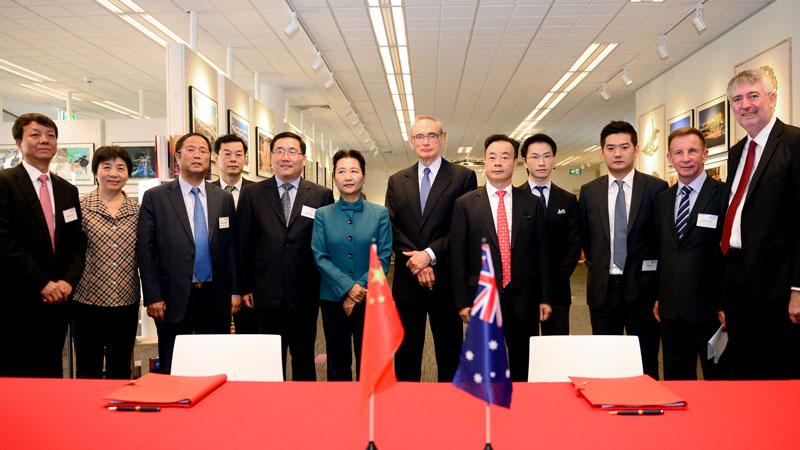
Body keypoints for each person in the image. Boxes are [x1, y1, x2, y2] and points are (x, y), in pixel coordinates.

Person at [136, 132, 240, 374]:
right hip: (173, 296)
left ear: (210, 158)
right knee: (174, 362)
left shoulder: (223, 198)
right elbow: (146, 250)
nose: (197, 155)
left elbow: (231, 248)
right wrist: (152, 296)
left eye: (203, 151)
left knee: (216, 362)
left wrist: (235, 289)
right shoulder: (156, 198)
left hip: (215, 295)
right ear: (178, 157)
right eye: (191, 150)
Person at [720, 68, 800, 379]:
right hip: (738, 277)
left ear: (773, 98)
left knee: (778, 369)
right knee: (743, 365)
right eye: (737, 99)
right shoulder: (737, 151)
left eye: (753, 95)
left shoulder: (794, 143)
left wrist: (798, 287)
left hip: (778, 283)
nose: (746, 105)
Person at [450, 134, 551, 381]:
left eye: (505, 157)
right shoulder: (465, 204)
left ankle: (521, 413)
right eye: (492, 157)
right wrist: (462, 300)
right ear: (485, 161)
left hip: (524, 300)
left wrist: (545, 297)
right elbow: (458, 256)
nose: (497, 162)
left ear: (516, 162)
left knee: (523, 364)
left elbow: (542, 255)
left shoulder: (532, 203)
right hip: (482, 298)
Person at [385, 115, 478, 382]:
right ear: (411, 142)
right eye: (419, 137)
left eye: (431, 136)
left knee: (449, 350)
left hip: (445, 278)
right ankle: (405, 407)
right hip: (407, 277)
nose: (425, 142)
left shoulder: (463, 177)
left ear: (443, 139)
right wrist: (417, 259)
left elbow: (462, 229)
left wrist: (430, 255)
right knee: (405, 352)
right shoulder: (396, 180)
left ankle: (449, 410)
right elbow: (391, 226)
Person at [238, 131, 334, 381]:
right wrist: (244, 286)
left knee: (304, 357)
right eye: (279, 151)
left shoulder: (321, 195)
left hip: (305, 291)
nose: (286, 157)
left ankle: (305, 412)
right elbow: (243, 244)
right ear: (270, 158)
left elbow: (326, 244)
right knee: (269, 360)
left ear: (303, 158)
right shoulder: (253, 194)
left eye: (292, 151)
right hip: (264, 291)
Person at [578, 121, 667, 379]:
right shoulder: (589, 192)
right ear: (602, 151)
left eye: (624, 147)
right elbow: (587, 239)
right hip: (603, 291)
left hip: (643, 292)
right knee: (606, 361)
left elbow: (661, 242)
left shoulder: (655, 189)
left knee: (646, 359)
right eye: (611, 148)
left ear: (636, 150)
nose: (618, 154)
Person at [0, 113, 86, 377]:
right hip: (18, 300)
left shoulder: (66, 190)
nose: (44, 141)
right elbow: (4, 241)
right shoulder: (5, 183)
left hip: (58, 302)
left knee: (51, 372)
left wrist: (67, 282)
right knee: (18, 374)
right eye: (35, 135)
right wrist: (42, 283)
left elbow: (76, 242)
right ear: (18, 142)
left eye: (50, 135)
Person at [312, 149, 392, 381]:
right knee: (337, 360)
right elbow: (319, 255)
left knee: (370, 359)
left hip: (370, 297)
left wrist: (358, 289)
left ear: (363, 176)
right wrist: (348, 287)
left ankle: (371, 412)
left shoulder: (380, 214)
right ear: (334, 177)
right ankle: (341, 412)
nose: (348, 176)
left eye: (354, 171)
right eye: (341, 171)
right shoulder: (323, 215)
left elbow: (384, 257)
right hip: (332, 297)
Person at [654, 127, 725, 380]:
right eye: (679, 152)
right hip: (672, 311)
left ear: (705, 154)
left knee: (718, 380)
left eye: (692, 151)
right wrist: (659, 296)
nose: (686, 158)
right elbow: (663, 251)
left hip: (711, 311)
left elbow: (730, 257)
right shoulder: (662, 199)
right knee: (677, 380)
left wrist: (725, 303)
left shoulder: (724, 195)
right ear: (669, 158)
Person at [72, 146, 140, 379]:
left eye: (121, 168)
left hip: (125, 300)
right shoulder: (80, 207)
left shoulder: (138, 211)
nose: (114, 173)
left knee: (120, 367)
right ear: (96, 171)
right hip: (87, 301)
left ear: (128, 173)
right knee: (87, 366)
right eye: (107, 167)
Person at [519, 133, 580, 335]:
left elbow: (573, 245)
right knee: (525, 350)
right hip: (523, 290)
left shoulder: (568, 200)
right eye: (535, 157)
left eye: (546, 156)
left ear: (554, 159)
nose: (541, 162)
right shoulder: (514, 199)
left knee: (556, 350)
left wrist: (553, 280)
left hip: (558, 288)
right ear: (525, 161)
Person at [213, 134, 256, 334]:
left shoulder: (258, 192)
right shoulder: (206, 192)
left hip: (250, 284)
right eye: (227, 154)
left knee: (249, 342)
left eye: (239, 154)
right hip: (216, 282)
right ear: (216, 157)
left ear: (245, 158)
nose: (233, 159)